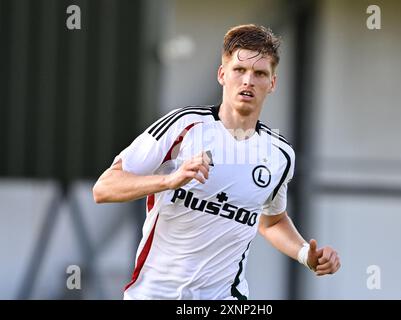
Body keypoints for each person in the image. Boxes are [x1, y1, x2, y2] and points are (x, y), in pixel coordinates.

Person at [93, 24, 340, 300]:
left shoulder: (280, 154)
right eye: (239, 70)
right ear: (222, 74)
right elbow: (104, 188)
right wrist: (169, 181)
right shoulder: (184, 125)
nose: (248, 81)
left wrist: (306, 253)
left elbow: (271, 221)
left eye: (259, 73)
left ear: (272, 83)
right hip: (154, 295)